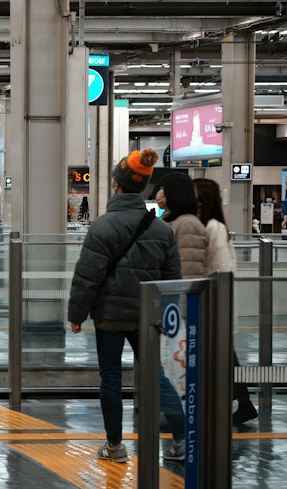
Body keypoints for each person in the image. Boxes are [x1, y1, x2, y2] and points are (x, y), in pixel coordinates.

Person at [67, 148, 185, 463]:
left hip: (109, 317)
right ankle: (182, 439)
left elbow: (86, 277)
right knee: (156, 374)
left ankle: (116, 447)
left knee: (111, 377)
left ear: (117, 185)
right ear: (143, 187)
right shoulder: (161, 229)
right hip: (148, 316)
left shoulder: (103, 227)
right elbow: (172, 279)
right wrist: (166, 317)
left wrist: (76, 315)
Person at [194, 176, 258, 426]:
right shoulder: (209, 225)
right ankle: (243, 404)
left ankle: (242, 404)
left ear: (203, 198)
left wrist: (213, 306)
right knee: (225, 356)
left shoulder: (213, 227)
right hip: (214, 305)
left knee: (225, 357)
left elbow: (220, 270)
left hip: (215, 305)